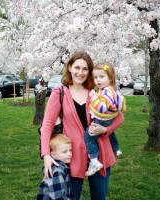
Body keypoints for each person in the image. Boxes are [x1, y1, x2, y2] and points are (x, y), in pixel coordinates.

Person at [40, 51, 124, 200]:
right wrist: (46, 155)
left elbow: (119, 117)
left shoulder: (97, 93)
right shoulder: (59, 92)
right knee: (72, 197)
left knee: (99, 197)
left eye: (85, 69)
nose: (80, 72)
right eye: (77, 67)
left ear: (90, 71)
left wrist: (105, 129)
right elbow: (47, 124)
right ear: (70, 68)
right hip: (71, 156)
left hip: (100, 154)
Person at [85, 62, 126, 177]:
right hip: (108, 119)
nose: (98, 80)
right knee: (110, 134)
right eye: (95, 77)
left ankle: (94, 161)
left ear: (110, 77)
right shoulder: (109, 89)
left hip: (101, 120)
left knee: (89, 138)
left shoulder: (106, 91)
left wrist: (93, 97)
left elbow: (102, 107)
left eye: (101, 77)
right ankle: (116, 148)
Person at [37, 134, 72, 200]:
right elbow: (58, 196)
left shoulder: (60, 167)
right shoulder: (57, 170)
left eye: (70, 150)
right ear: (53, 154)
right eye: (64, 152)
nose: (69, 154)